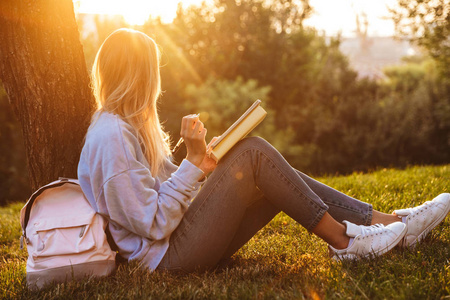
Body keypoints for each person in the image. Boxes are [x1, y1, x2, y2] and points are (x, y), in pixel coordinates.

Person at [77, 28, 450, 273]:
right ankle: (346, 242)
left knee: (267, 172)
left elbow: (158, 195)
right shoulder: (112, 138)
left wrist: (205, 164)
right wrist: (192, 164)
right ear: (141, 76)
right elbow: (152, 222)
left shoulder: (124, 127)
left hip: (174, 244)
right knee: (254, 153)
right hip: (165, 259)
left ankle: (392, 224)